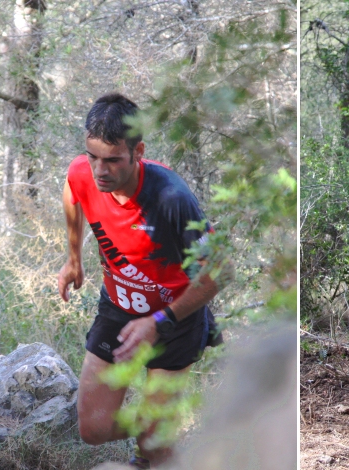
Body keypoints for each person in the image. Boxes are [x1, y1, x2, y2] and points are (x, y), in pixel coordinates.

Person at [57, 93, 224, 468]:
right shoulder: (83, 173)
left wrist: (159, 321)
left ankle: (158, 444)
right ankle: (154, 432)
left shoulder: (171, 199)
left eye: (113, 160)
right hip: (118, 310)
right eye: (93, 156)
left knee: (155, 449)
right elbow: (73, 191)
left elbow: (217, 276)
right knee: (94, 429)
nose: (100, 170)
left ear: (138, 151)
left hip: (174, 321)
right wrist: (73, 259)